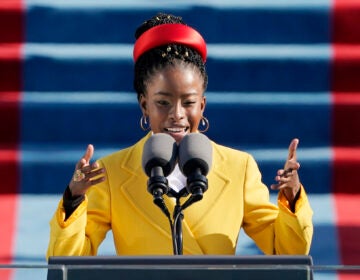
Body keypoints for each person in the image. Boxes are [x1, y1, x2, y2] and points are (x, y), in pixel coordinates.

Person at [46, 12, 313, 257]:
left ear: (202, 105)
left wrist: (292, 197)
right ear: (144, 105)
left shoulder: (238, 168)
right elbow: (69, 264)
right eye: (163, 103)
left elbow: (287, 252)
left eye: (188, 102)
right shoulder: (112, 172)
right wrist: (74, 198)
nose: (177, 114)